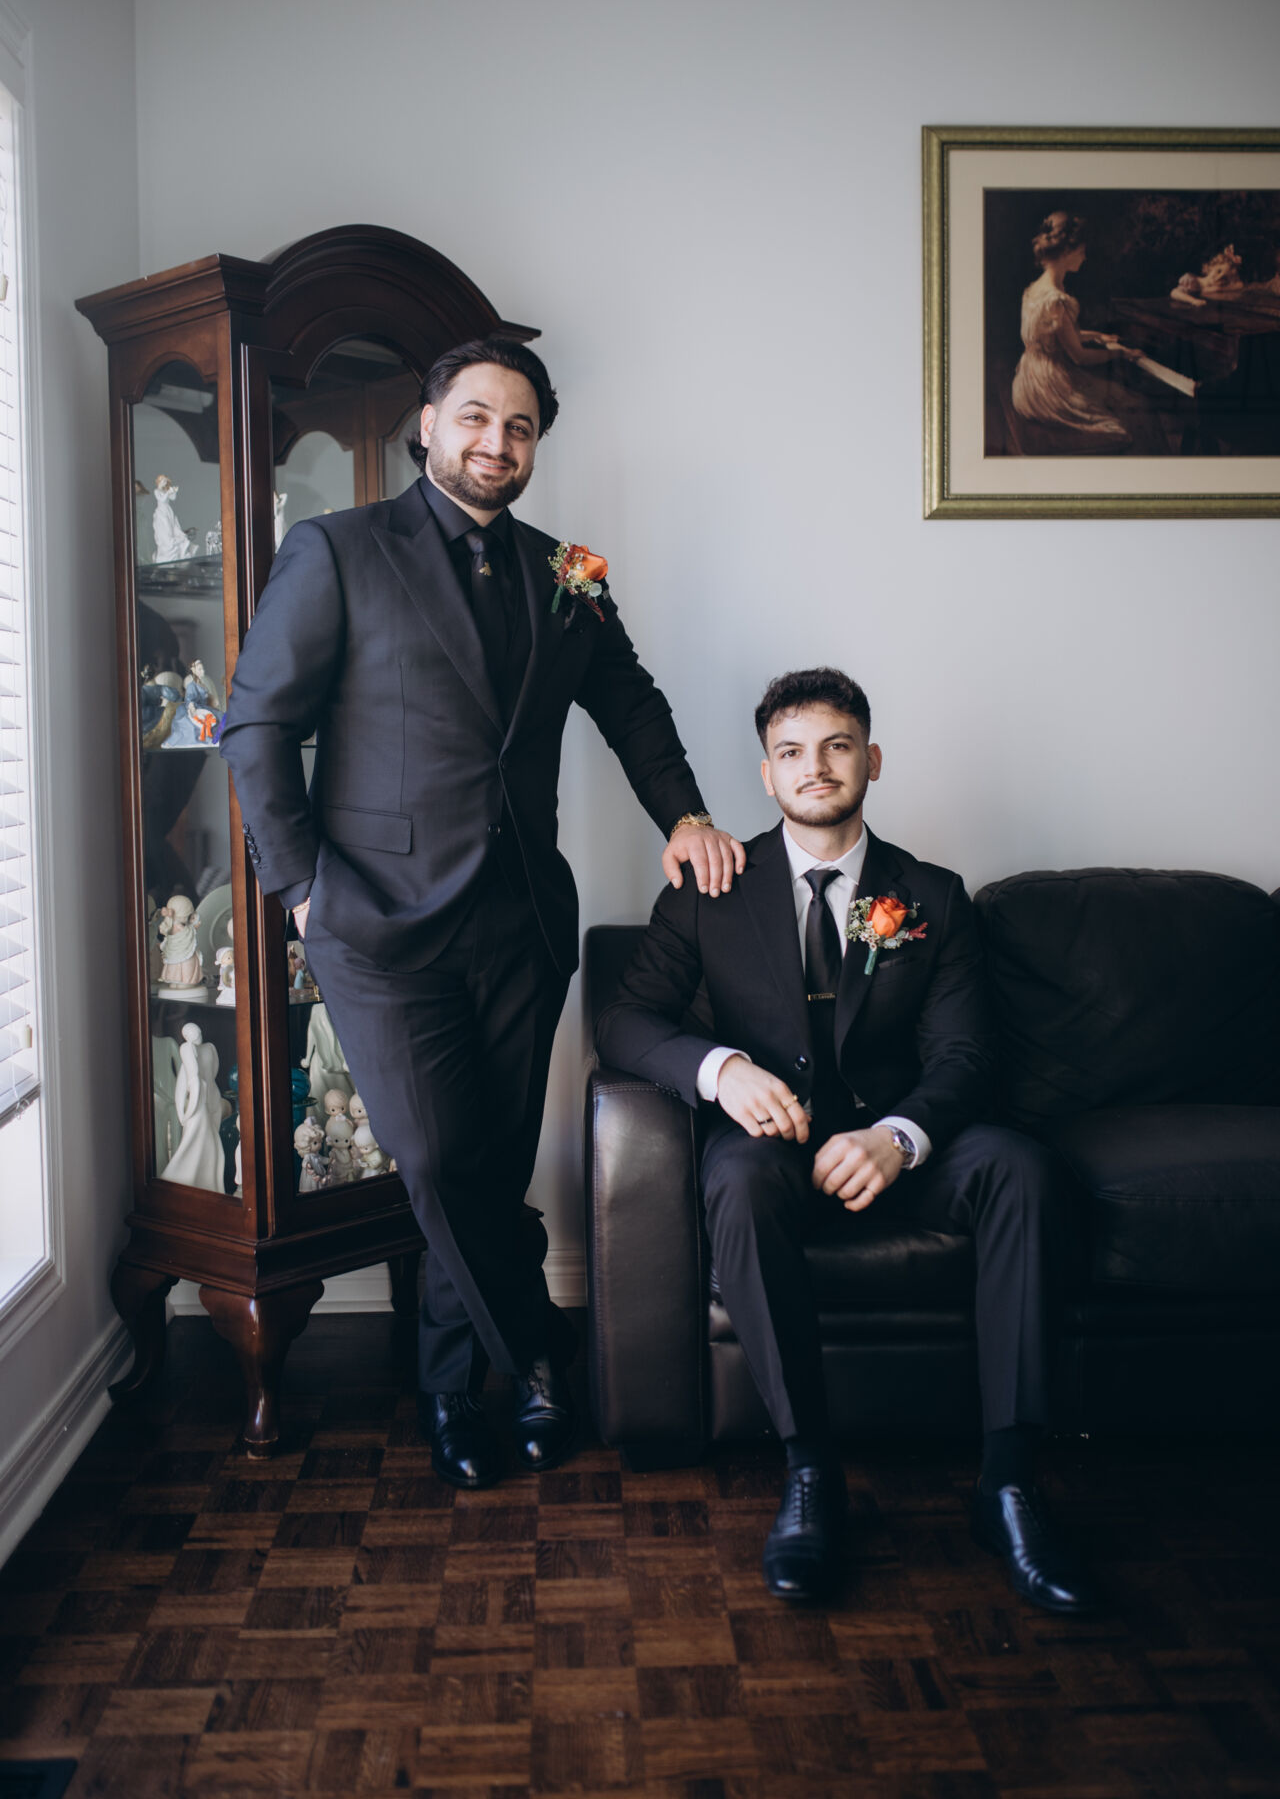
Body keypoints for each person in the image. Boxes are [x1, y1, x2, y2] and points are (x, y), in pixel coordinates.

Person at [221, 336, 742, 1491]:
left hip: (521, 926)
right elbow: (255, 726)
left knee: (490, 1168)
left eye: (517, 427)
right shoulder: (337, 551)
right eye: (473, 417)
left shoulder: (568, 573)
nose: (494, 442)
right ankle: (544, 1349)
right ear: (427, 424)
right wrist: (300, 888)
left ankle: (455, 1389)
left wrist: (684, 814)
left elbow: (630, 701)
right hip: (376, 925)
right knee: (437, 1156)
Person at [596, 668, 1097, 1612]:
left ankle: (1009, 1480)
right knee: (736, 1182)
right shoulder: (713, 889)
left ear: (872, 759)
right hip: (774, 1146)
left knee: (1023, 1170)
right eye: (791, 752)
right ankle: (810, 1471)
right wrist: (722, 1071)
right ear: (767, 774)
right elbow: (625, 1020)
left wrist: (899, 1137)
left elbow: (966, 1057)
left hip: (906, 1145)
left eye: (835, 746)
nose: (815, 767)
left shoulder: (933, 895)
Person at [1011, 210, 1146, 451]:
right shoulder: (1056, 299)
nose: (1084, 257)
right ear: (1067, 252)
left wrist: (1097, 336)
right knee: (1123, 421)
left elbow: (1054, 338)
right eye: (1082, 251)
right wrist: (1121, 354)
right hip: (1047, 389)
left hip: (1027, 381)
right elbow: (1079, 357)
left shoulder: (1034, 289)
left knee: (1120, 399)